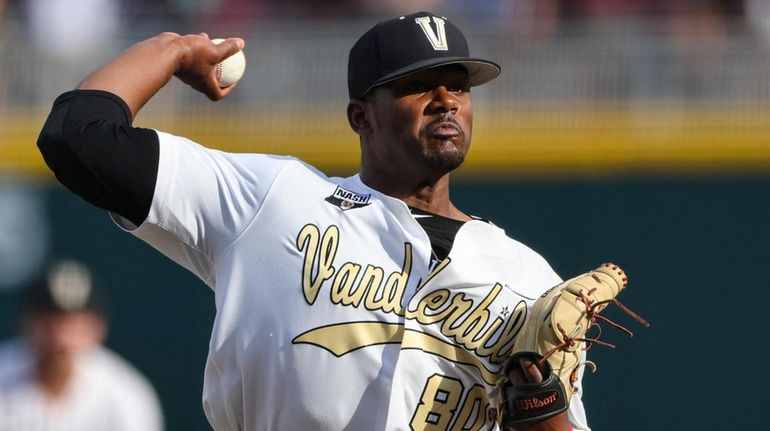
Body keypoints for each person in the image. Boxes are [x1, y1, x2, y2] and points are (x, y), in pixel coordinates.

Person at [36, 11, 591, 430]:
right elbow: (76, 137)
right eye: (419, 84)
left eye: (459, 86)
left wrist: (546, 413)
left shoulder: (528, 278)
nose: (446, 101)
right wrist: (173, 48)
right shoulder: (272, 199)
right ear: (360, 116)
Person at [0, 260, 164, 430]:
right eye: (49, 322)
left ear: (98, 328)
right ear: (25, 324)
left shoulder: (125, 394)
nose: (60, 337)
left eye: (73, 324)